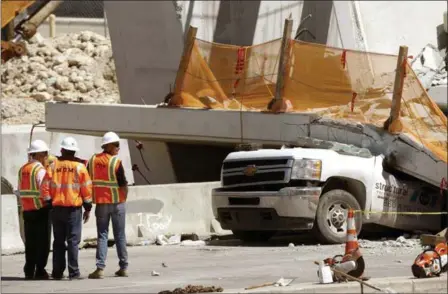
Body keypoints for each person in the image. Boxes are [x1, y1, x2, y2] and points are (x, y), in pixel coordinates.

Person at [41, 137, 93, 280]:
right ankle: (74, 272)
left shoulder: (52, 166)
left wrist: (48, 202)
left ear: (62, 150)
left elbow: (44, 186)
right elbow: (86, 189)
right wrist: (88, 207)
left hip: (56, 209)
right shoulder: (80, 167)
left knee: (58, 241)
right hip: (73, 210)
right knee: (73, 241)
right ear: (75, 152)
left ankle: (57, 272)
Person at [88, 132, 129, 279]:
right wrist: (124, 198)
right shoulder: (115, 162)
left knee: (102, 235)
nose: (118, 147)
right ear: (107, 146)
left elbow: (87, 181)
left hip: (101, 204)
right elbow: (123, 184)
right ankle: (123, 267)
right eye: (116, 145)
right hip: (117, 203)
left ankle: (100, 268)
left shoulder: (92, 160)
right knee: (120, 235)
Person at [18, 140, 52, 280]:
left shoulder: (23, 169)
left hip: (27, 211)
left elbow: (20, 191)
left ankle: (29, 270)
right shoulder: (40, 170)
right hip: (41, 210)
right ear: (38, 155)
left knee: (30, 242)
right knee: (43, 242)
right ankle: (40, 270)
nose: (46, 157)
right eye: (45, 154)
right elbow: (44, 190)